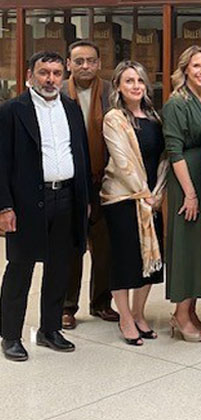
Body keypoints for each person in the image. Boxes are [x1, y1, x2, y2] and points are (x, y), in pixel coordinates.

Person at [0, 51, 91, 361]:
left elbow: (80, 154)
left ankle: (50, 329)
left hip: (66, 197)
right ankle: (11, 335)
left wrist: (84, 200)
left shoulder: (71, 108)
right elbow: (1, 163)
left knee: (59, 267)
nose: (50, 79)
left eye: (56, 73)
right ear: (29, 75)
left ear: (63, 76)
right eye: (44, 72)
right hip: (27, 203)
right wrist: (4, 207)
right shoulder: (12, 110)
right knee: (20, 269)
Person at [101, 61, 167, 347]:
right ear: (118, 86)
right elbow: (122, 160)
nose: (136, 86)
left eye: (140, 81)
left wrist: (157, 193)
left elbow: (164, 158)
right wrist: (144, 193)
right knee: (125, 261)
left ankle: (140, 314)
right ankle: (125, 318)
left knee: (151, 264)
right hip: (123, 199)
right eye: (129, 81)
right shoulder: (114, 118)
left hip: (152, 199)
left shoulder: (154, 117)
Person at [161, 45, 201, 343]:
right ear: (184, 69)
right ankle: (180, 314)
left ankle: (191, 310)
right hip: (187, 182)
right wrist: (191, 195)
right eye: (196, 66)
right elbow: (174, 151)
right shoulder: (177, 103)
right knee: (186, 248)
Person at [60, 40, 118, 329]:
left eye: (91, 61)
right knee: (72, 245)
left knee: (105, 245)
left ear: (99, 63)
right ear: (68, 64)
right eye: (79, 61)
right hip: (70, 182)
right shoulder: (56, 93)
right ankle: (67, 306)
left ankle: (101, 303)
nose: (85, 66)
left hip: (103, 178)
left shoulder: (110, 92)